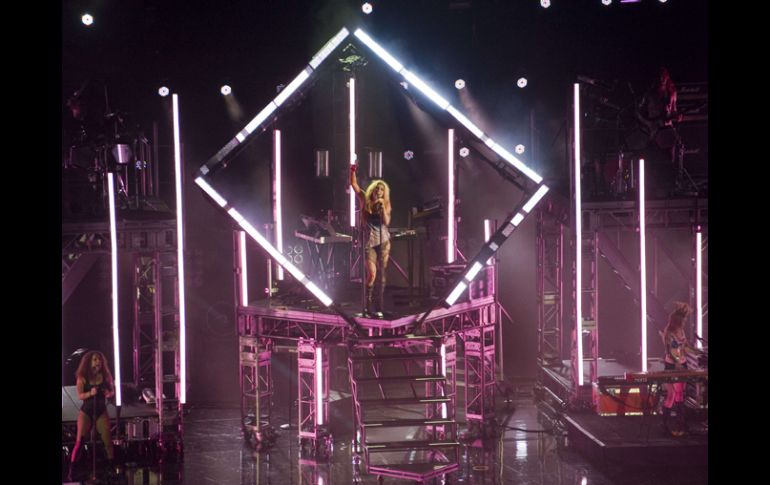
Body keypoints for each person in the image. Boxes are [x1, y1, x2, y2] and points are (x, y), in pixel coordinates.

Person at [350, 163, 392, 317]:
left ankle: (379, 307)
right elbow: (354, 185)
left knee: (381, 276)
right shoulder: (364, 198)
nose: (379, 191)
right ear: (372, 189)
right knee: (372, 274)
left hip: (383, 241)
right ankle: (367, 307)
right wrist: (352, 171)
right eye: (377, 188)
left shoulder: (384, 203)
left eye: (381, 190)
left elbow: (386, 222)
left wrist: (383, 207)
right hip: (368, 242)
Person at [69, 350, 116, 475]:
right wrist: (90, 393)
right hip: (86, 412)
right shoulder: (82, 377)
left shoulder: (106, 376)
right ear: (89, 362)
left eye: (99, 359)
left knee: (107, 440)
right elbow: (80, 395)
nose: (98, 361)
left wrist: (109, 393)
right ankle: (72, 469)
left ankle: (111, 466)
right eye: (95, 359)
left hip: (101, 411)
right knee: (80, 441)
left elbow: (112, 392)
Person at [659, 302, 698, 436]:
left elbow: (685, 346)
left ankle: (681, 424)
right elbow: (670, 351)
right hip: (672, 365)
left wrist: (696, 351)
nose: (684, 322)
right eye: (683, 320)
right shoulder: (669, 333)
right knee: (671, 395)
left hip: (682, 364)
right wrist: (677, 363)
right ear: (677, 321)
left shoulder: (681, 330)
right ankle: (664, 424)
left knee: (680, 395)